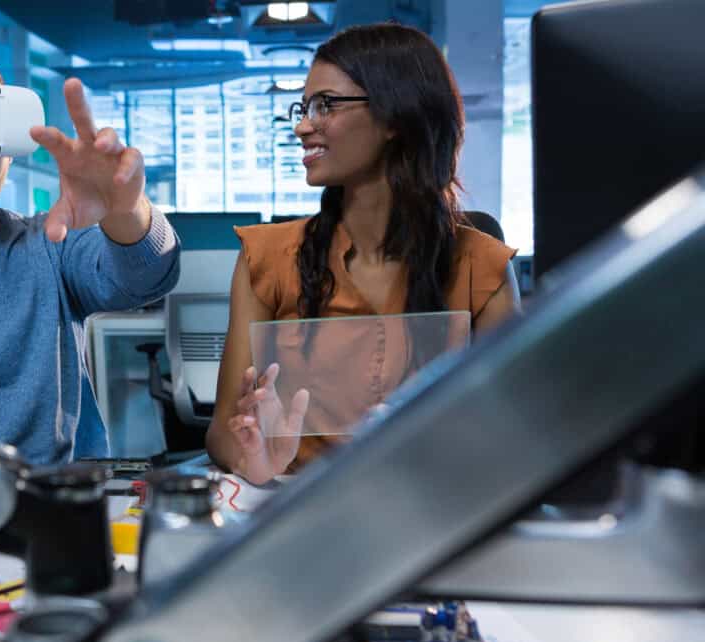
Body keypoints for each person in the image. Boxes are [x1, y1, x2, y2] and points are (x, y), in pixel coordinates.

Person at [206, 24, 521, 485]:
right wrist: (254, 456)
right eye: (304, 106)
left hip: (432, 510)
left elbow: (513, 435)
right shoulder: (267, 258)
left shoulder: (484, 268)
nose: (301, 125)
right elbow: (223, 431)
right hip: (298, 509)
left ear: (395, 116)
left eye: (324, 105)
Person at [0, 52, 180, 465]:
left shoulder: (51, 244)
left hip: (47, 504)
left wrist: (123, 208)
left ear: (10, 145)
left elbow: (148, 277)